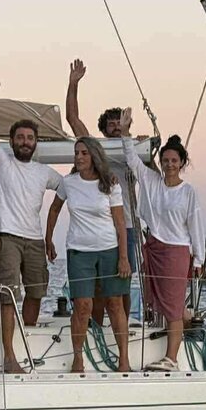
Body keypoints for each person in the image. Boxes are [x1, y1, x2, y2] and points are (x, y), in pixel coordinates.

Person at [0, 79, 62, 374]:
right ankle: (10, 356)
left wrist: (49, 236)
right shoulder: (1, 160)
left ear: (35, 142)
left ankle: (26, 345)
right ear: (12, 141)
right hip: (8, 238)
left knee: (36, 292)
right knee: (10, 295)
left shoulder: (44, 172)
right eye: (20, 137)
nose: (25, 141)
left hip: (35, 240)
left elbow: (68, 189)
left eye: (30, 138)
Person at [119, 107, 206, 372]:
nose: (169, 164)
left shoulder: (188, 192)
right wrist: (125, 132)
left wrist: (199, 258)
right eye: (165, 160)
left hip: (176, 251)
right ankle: (171, 339)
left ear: (182, 163)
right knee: (160, 302)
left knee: (173, 306)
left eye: (174, 160)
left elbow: (195, 225)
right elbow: (132, 160)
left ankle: (172, 359)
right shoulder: (152, 181)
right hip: (154, 247)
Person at [65, 58, 145, 321]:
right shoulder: (96, 151)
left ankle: (122, 326)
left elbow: (155, 173)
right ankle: (97, 327)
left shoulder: (133, 150)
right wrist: (73, 83)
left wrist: (137, 142)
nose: (116, 127)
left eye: (120, 124)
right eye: (111, 124)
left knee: (123, 282)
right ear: (103, 129)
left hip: (127, 224)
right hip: (96, 228)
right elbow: (72, 118)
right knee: (97, 286)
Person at [45, 137, 131, 373]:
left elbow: (120, 222)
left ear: (94, 155)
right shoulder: (68, 183)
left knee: (114, 303)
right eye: (76, 153)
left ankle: (124, 360)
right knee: (83, 305)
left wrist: (123, 257)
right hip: (79, 251)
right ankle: (78, 358)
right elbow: (54, 209)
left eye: (84, 153)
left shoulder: (110, 184)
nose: (79, 157)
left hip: (109, 249)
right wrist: (48, 239)